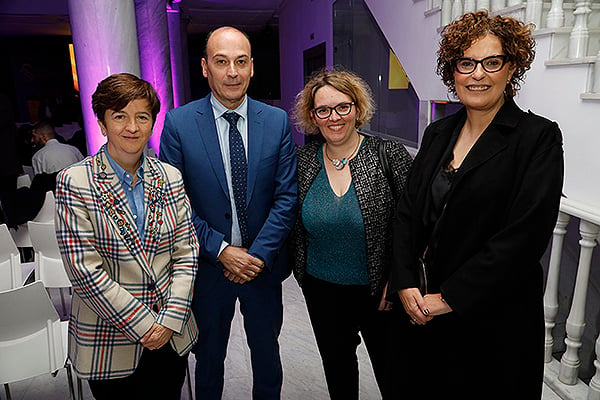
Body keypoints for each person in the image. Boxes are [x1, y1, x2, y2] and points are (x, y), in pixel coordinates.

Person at [388, 10, 564, 399]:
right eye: (466, 63)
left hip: (494, 319)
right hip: (424, 310)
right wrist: (403, 281)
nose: (477, 74)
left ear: (511, 67)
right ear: (452, 70)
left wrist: (450, 297)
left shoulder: (538, 138)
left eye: (491, 62)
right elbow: (407, 213)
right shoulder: (438, 133)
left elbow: (524, 237)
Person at [159, 26, 297, 400]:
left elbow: (286, 197)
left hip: (262, 267)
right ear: (205, 68)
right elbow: (176, 204)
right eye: (221, 62)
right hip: (208, 268)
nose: (232, 72)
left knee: (268, 357)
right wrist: (222, 251)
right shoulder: (179, 124)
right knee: (208, 361)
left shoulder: (277, 121)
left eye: (240, 62)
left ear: (252, 67)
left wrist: (255, 256)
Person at [55, 73, 199, 399]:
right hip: (110, 338)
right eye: (120, 116)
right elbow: (84, 271)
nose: (132, 127)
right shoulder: (75, 182)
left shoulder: (170, 177)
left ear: (152, 123)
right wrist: (145, 324)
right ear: (103, 124)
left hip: (170, 333)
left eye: (142, 117)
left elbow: (187, 252)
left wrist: (170, 317)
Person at [289, 68, 412, 399]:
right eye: (323, 110)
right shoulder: (302, 161)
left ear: (357, 108)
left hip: (380, 293)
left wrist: (399, 278)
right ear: (313, 116)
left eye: (343, 107)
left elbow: (415, 225)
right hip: (321, 290)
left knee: (395, 377)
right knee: (339, 373)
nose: (334, 117)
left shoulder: (389, 156)